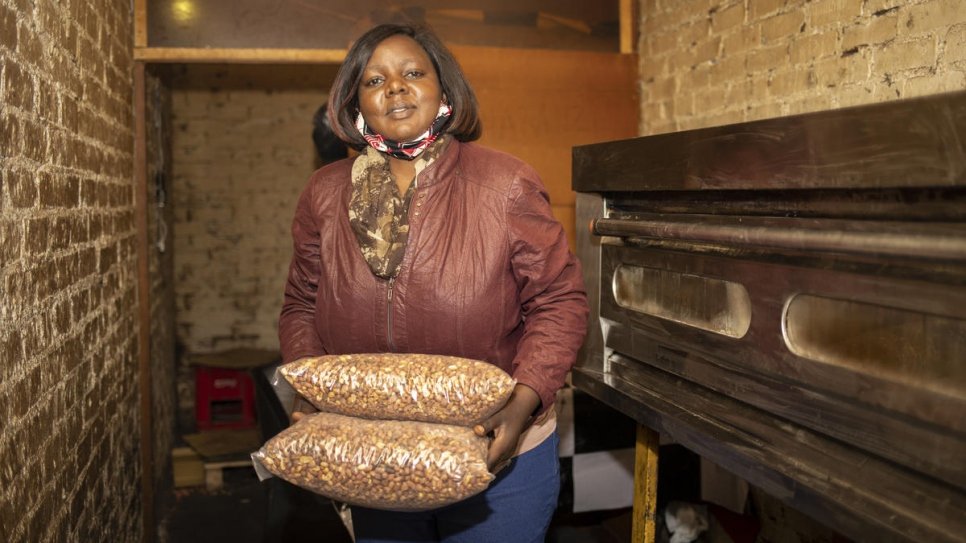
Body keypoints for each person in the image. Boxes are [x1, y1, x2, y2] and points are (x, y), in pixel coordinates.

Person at [278, 22, 588, 543]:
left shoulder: (504, 183)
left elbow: (558, 300)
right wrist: (310, 392)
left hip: (495, 453)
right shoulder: (325, 194)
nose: (395, 87)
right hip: (375, 450)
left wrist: (524, 400)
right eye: (374, 81)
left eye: (412, 73)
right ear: (355, 103)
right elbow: (301, 304)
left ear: (443, 88)